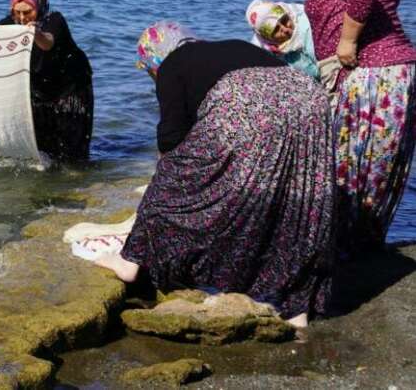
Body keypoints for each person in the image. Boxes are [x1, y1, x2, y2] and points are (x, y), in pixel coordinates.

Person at [94, 21, 335, 327]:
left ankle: (130, 261)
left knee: (173, 175)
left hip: (249, 99)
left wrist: (163, 192)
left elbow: (170, 141)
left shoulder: (171, 65)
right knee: (292, 203)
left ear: (156, 56)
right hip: (311, 100)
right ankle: (296, 306)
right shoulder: (233, 46)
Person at [279, 0, 416, 254]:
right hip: (392, 73)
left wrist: (347, 42)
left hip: (374, 76)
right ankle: (359, 245)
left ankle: (343, 249)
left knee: (349, 165)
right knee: (372, 165)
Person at [0, 0, 93, 161]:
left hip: (72, 88)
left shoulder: (54, 20)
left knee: (73, 150)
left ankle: (78, 181)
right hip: (41, 89)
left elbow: (47, 43)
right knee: (44, 148)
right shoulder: (9, 24)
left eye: (28, 12)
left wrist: (36, 33)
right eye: (17, 12)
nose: (22, 17)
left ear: (38, 8)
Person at [244, 0, 320, 80]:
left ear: (288, 14)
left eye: (284, 20)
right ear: (269, 38)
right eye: (276, 30)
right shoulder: (271, 55)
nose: (285, 29)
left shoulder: (306, 25)